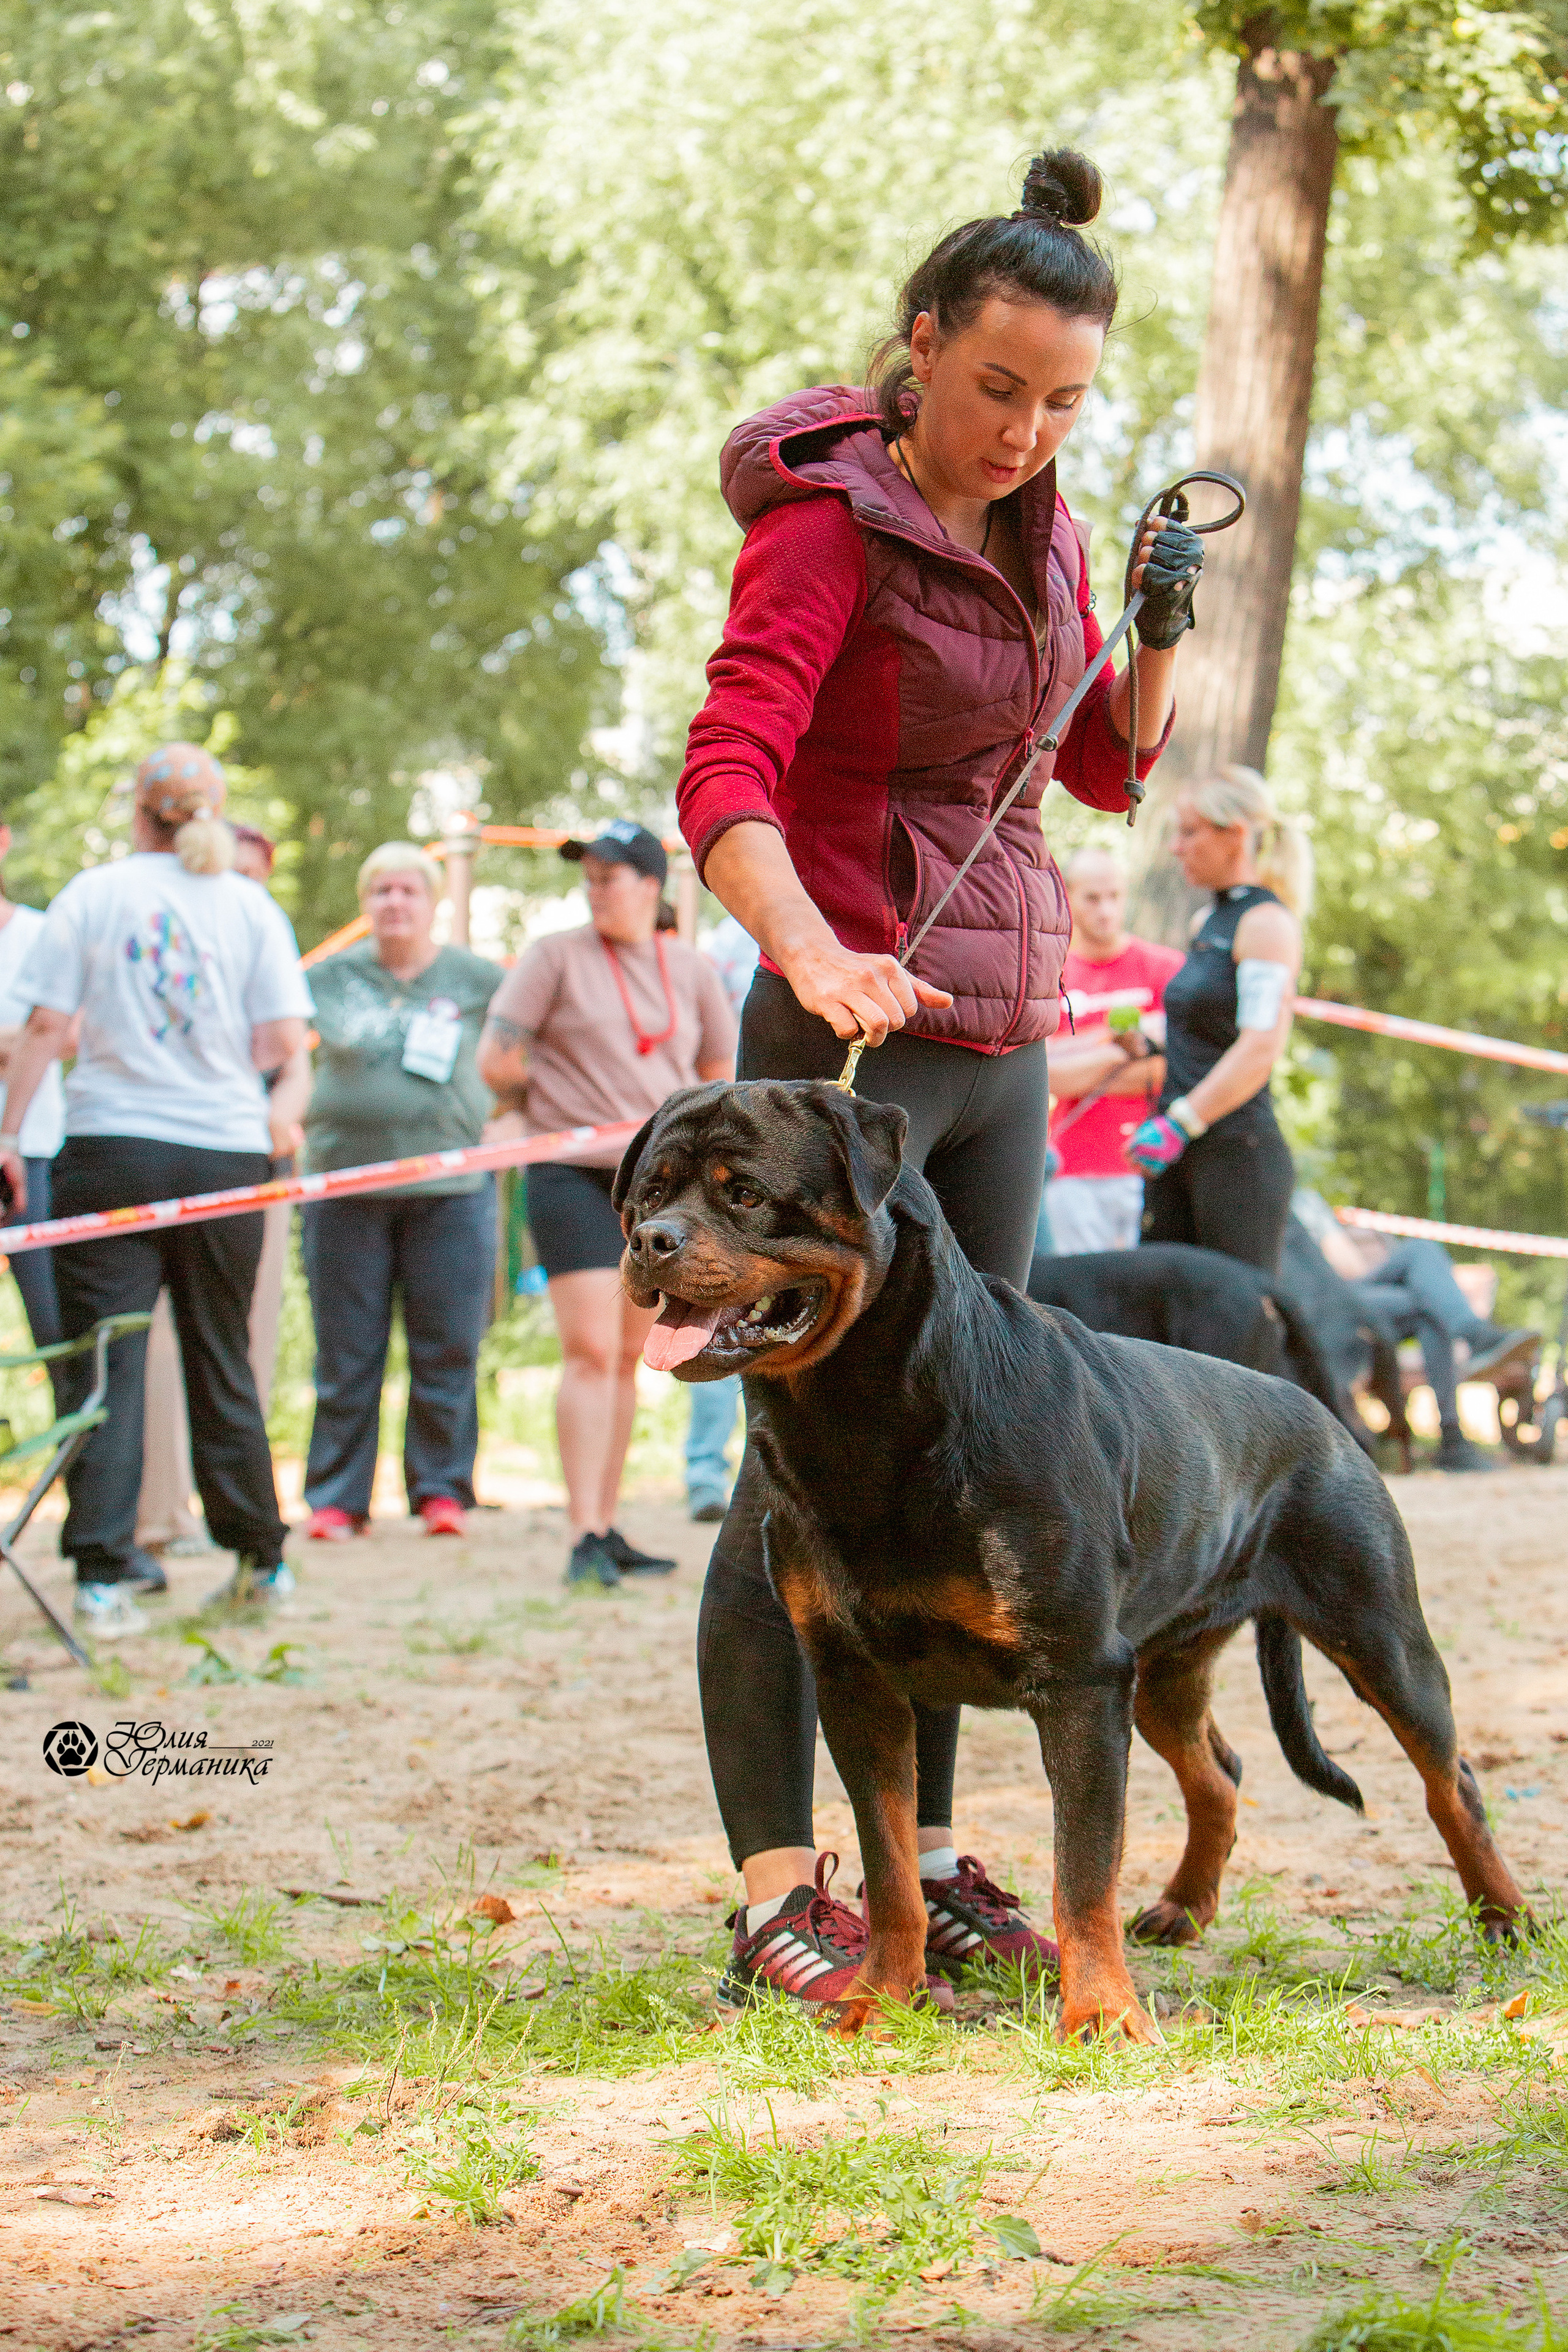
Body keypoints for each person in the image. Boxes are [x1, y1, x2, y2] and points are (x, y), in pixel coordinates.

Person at [674, 146, 1201, 2009]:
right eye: (997, 387)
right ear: (919, 349)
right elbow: (724, 770)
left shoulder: (1046, 521)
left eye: (1062, 399)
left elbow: (1100, 774)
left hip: (998, 1045)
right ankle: (771, 1884)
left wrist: (1144, 636)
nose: (1024, 427)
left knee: (976, 1469)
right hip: (840, 1050)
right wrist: (808, 947)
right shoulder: (824, 524)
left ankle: (938, 1860)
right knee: (793, 1492)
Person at [0, 744, 310, 1637]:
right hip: (222, 1154)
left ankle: (104, 1573)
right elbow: (282, 1040)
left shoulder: (92, 895)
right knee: (222, 1356)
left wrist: (12, 1137)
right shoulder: (250, 906)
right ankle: (262, 1561)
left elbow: (45, 1027)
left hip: (111, 1150)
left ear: (137, 808)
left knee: (108, 1357)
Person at [476, 821, 737, 1587]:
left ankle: (608, 1524)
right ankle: (581, 1532)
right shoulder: (554, 955)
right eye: (587, 875)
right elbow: (496, 1059)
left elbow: (718, 1067)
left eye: (611, 875)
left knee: (628, 1357)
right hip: (572, 1173)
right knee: (589, 1352)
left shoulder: (688, 968)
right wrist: (545, 1102)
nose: (595, 887)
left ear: (651, 886)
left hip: (656, 1190)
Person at [300, 843, 504, 1544]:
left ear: (432, 901)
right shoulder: (325, 977)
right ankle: (336, 1498)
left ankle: (441, 1491)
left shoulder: (478, 979)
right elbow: (273, 1050)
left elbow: (525, 1053)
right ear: (365, 902)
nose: (394, 902)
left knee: (447, 1344)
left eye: (408, 891)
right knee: (346, 1351)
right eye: (381, 890)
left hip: (452, 1189)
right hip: (343, 1186)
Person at [135, 822, 309, 1553]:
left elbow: (293, 1059)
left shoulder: (261, 943)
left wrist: (281, 1110)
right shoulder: (164, 945)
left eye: (251, 873)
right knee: (153, 1351)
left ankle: (234, 1519)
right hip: (166, 1157)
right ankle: (158, 1513)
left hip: (249, 1168)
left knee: (236, 1347)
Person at [1127, 767, 1308, 1276]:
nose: (1176, 848)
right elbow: (1204, 1028)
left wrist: (1179, 1124)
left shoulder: (1267, 924)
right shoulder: (1205, 922)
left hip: (1234, 1159)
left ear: (1236, 835)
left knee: (1229, 1339)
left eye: (1189, 832)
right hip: (1176, 1156)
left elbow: (1259, 1046)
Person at [1292, 1190, 1537, 1473]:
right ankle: (1454, 1441)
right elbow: (1342, 1266)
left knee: (1422, 1249)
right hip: (1315, 1300)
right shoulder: (1276, 1194)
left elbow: (1352, 1268)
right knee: (1427, 1308)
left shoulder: (1304, 1198)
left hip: (1349, 1292)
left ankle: (1473, 1338)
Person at [1041, 848, 1182, 1253]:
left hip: (1149, 1165)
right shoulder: (1052, 975)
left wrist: (1077, 1062)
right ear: (1068, 896)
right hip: (1072, 1168)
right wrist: (1119, 1048)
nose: (1106, 910)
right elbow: (1045, 1073)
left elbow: (1171, 1070)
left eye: (1115, 896)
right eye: (1093, 898)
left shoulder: (1165, 969)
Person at [685, 911, 760, 1520]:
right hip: (727, 1138)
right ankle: (706, 1472)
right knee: (707, 1310)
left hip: (779, 1152)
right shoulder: (720, 947)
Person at [0, 823, 70, 1373]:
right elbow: (41, 1034)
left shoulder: (42, 934)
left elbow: (72, 1033)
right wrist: (22, 1038)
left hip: (37, 1150)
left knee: (56, 1328)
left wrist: (30, 1041)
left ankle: (80, 1459)